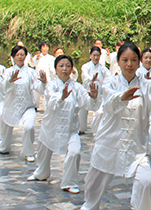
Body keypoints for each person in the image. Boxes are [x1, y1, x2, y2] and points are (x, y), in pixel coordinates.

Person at [71, 44, 151, 210]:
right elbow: (110, 104)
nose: (129, 64)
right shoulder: (109, 83)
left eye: (133, 60)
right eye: (125, 60)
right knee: (94, 179)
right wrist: (122, 97)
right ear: (118, 62)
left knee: (147, 181)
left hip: (134, 146)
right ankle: (89, 208)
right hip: (108, 141)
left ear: (139, 62)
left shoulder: (146, 85)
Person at [29, 55, 99, 194]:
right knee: (43, 155)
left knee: (74, 152)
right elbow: (50, 102)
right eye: (61, 66)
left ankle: (69, 182)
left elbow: (87, 102)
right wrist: (61, 97)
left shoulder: (77, 87)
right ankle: (41, 173)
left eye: (67, 65)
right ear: (55, 69)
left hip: (70, 129)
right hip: (50, 128)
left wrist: (94, 96)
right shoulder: (51, 85)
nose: (64, 69)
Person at [0, 45, 47, 162]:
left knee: (28, 127)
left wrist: (43, 83)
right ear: (13, 57)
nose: (20, 57)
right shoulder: (8, 72)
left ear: (26, 56)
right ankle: (4, 147)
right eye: (17, 55)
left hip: (27, 106)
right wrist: (10, 81)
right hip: (11, 105)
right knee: (6, 127)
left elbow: (39, 89)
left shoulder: (31, 72)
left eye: (22, 54)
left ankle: (28, 152)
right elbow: (3, 87)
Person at [79, 46, 109, 135]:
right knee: (82, 110)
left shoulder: (103, 68)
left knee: (99, 112)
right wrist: (92, 79)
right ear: (90, 55)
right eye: (94, 55)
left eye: (98, 55)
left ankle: (96, 131)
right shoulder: (85, 66)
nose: (96, 57)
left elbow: (109, 77)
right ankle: (81, 128)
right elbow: (85, 77)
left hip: (99, 95)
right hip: (87, 93)